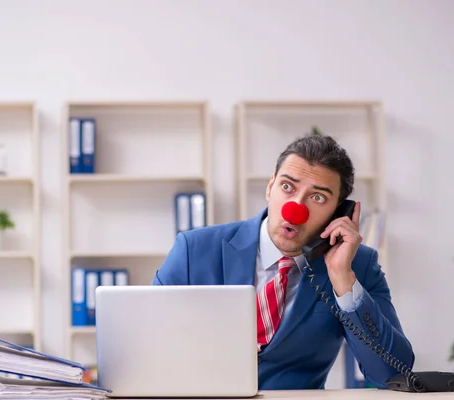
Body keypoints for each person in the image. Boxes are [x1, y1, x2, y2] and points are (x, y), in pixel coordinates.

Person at [152, 134, 414, 390]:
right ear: (270, 187)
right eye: (287, 187)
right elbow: (144, 345)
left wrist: (342, 279)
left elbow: (392, 374)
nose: (296, 208)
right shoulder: (194, 249)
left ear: (338, 213)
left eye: (318, 197)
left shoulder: (359, 265)